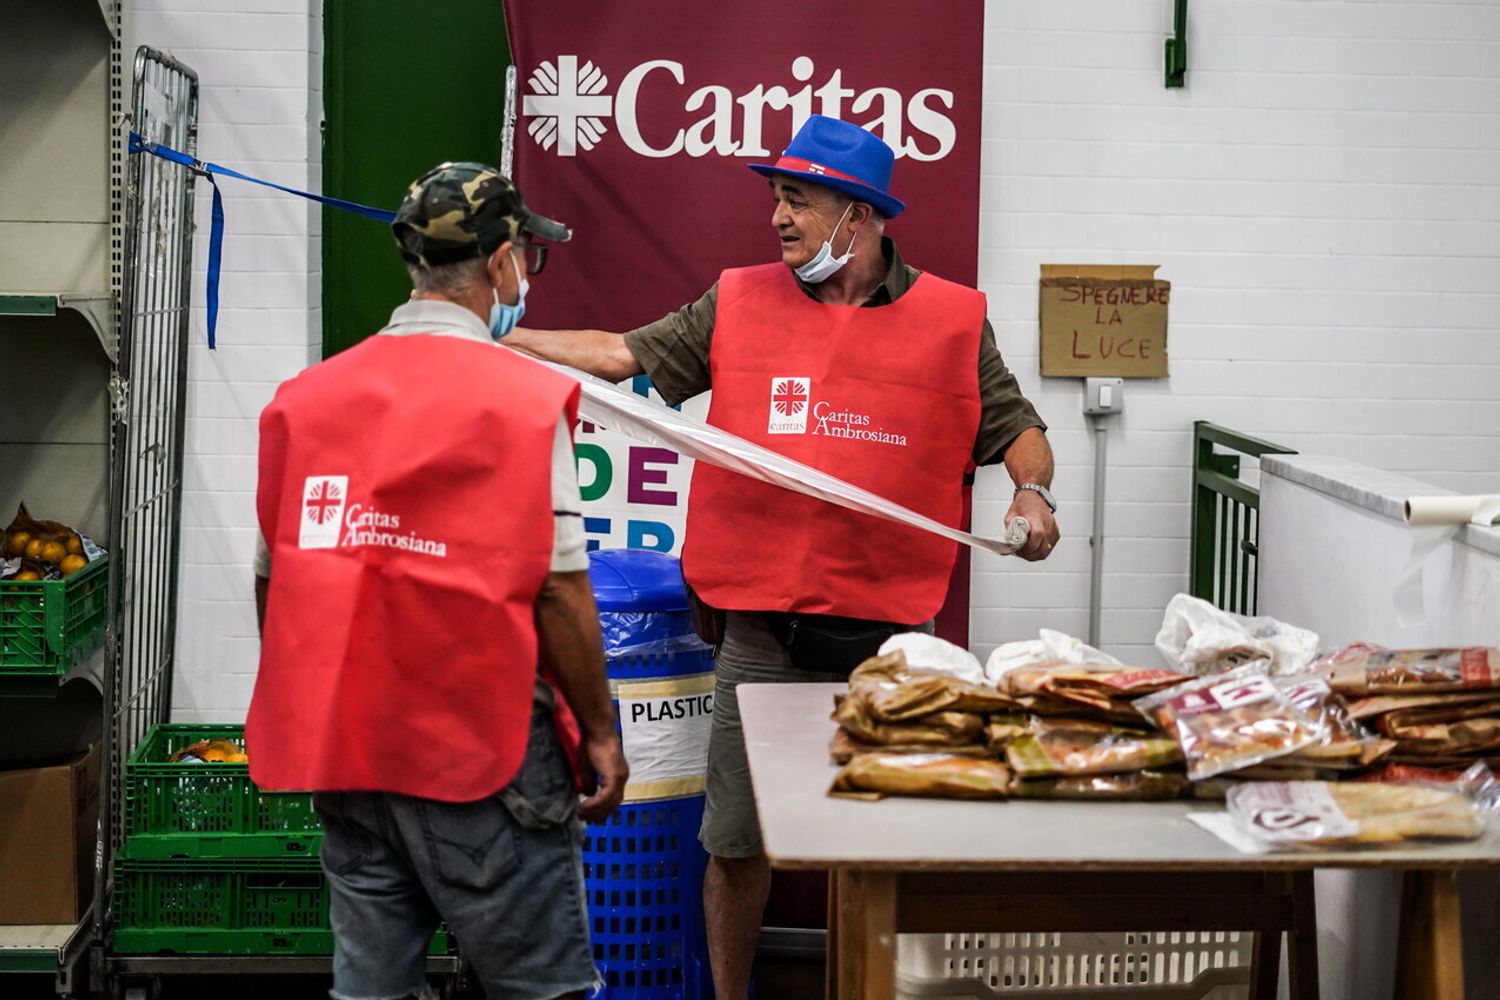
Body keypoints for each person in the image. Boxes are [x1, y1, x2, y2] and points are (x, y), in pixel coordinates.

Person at [506, 115, 1059, 999]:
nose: (778, 218)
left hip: (887, 644)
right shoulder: (738, 300)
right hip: (758, 633)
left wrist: (1033, 493)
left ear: (861, 214)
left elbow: (1017, 427)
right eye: (776, 198)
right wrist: (489, 337)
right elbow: (620, 355)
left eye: (797, 200)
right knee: (732, 841)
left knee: (875, 844)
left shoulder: (955, 320)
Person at [247, 163, 627, 1000]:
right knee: (541, 988)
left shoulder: (304, 401)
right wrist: (600, 733)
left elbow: (278, 585)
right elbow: (560, 590)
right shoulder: (521, 404)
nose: (525, 276)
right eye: (527, 257)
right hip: (482, 750)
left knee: (370, 990)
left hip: (350, 750)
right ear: (499, 266)